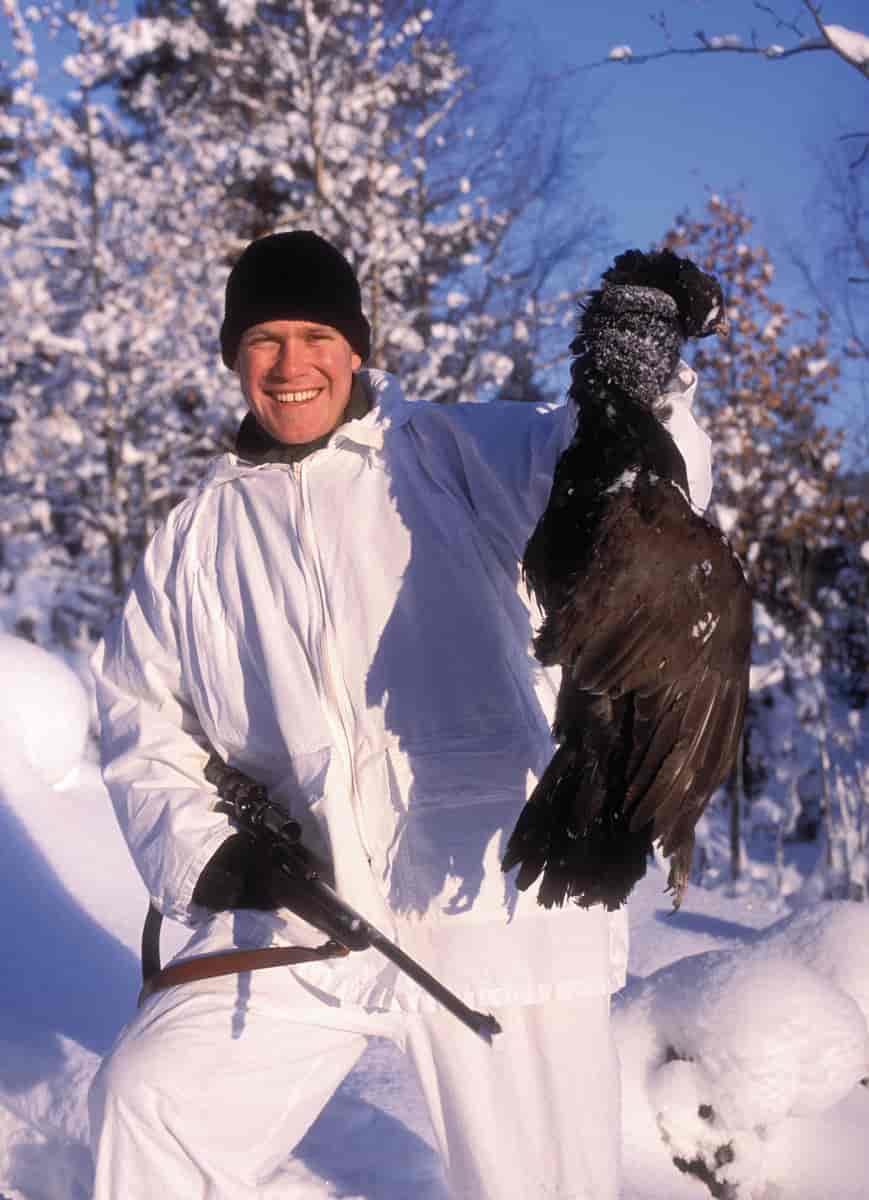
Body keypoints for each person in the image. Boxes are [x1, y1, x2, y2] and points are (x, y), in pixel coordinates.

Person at [88, 230, 713, 1199]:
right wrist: (209, 852)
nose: (290, 364)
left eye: (312, 335)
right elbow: (136, 717)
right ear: (232, 358)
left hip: (490, 876)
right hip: (305, 892)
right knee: (153, 1103)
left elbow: (633, 493)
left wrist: (640, 383)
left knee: (539, 1183)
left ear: (354, 346)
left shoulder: (455, 451)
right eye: (262, 340)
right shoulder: (195, 535)